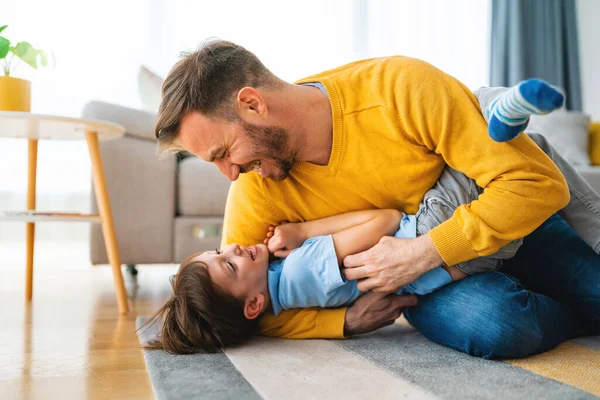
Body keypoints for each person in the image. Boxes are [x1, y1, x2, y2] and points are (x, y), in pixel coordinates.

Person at [154, 40, 600, 359]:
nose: (228, 174)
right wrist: (341, 321)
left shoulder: (397, 87)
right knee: (498, 326)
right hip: (440, 281)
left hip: (500, 214)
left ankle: (496, 108)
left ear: (252, 104)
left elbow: (537, 185)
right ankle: (571, 311)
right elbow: (243, 311)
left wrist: (425, 251)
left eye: (223, 152)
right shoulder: (254, 187)